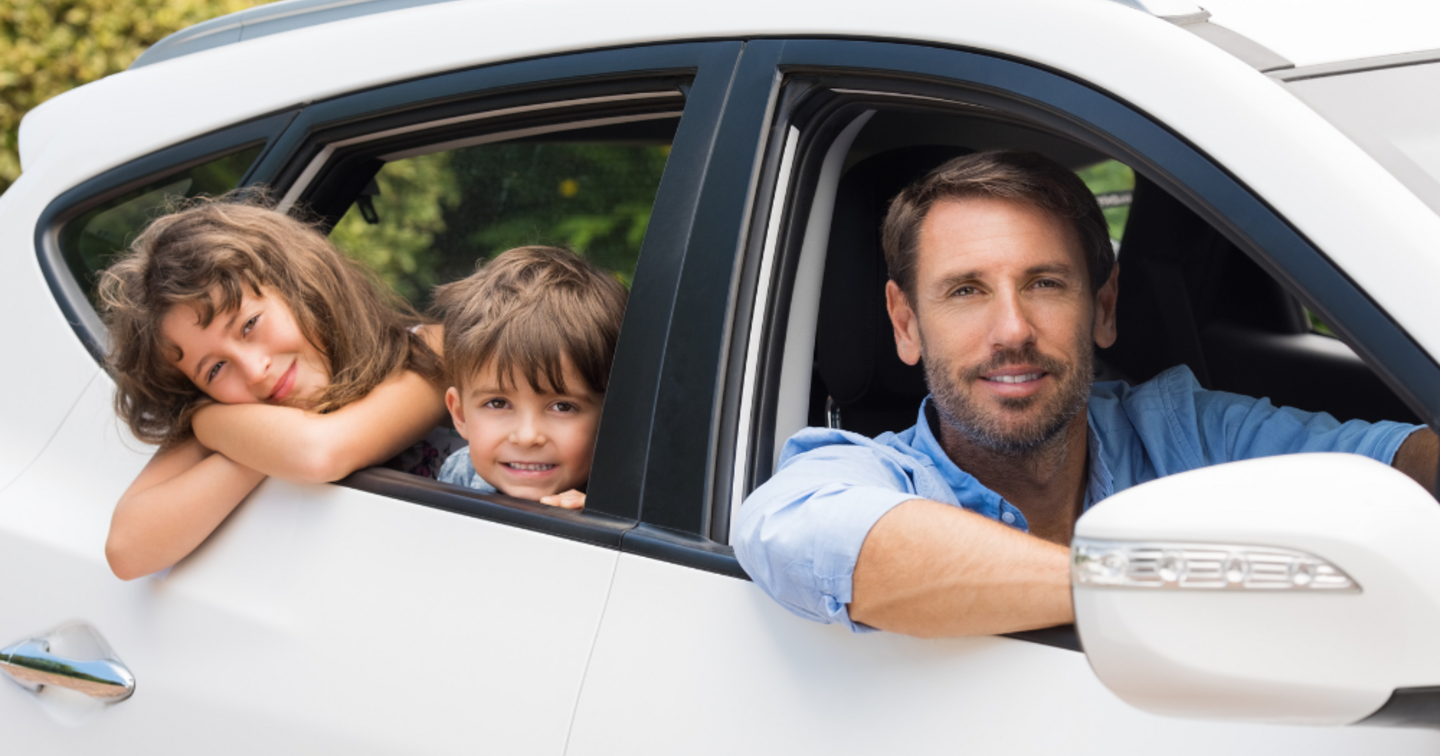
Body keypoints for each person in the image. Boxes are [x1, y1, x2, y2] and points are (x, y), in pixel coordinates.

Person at [733, 149, 1439, 638]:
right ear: (905, 323)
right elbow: (801, 531)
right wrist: (1176, 580)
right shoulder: (863, 475)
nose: (1012, 330)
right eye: (966, 291)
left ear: (1103, 308)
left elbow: (1396, 463)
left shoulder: (1180, 431)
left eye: (1045, 283)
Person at [100, 199, 449, 580]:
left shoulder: (430, 351)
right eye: (215, 369)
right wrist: (222, 422)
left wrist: (208, 424)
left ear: (301, 283)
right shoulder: (236, 410)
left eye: (249, 325)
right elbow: (126, 549)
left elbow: (318, 451)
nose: (254, 371)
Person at [432, 245, 627, 510]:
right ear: (461, 415)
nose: (526, 436)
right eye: (498, 403)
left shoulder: (633, 502)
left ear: (611, 421)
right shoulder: (459, 475)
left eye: (562, 406)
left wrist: (607, 517)